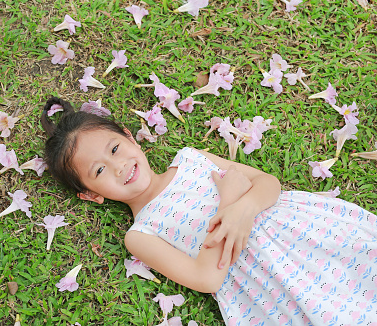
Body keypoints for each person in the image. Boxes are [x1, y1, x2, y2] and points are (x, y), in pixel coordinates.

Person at [41, 97, 377, 325]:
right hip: (266, 278)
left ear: (130, 137)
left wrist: (243, 208)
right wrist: (228, 202)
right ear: (91, 194)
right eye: (98, 171)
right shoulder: (140, 234)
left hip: (300, 234)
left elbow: (268, 184)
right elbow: (206, 278)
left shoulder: (191, 159)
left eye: (115, 149)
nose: (117, 167)